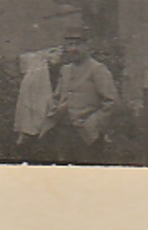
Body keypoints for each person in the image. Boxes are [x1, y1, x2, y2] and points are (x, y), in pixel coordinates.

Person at [47, 28, 118, 164]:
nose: (73, 49)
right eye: (70, 44)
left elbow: (111, 102)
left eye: (78, 44)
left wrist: (92, 124)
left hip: (87, 135)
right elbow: (56, 97)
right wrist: (56, 113)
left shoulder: (97, 70)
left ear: (87, 46)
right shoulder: (65, 70)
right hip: (64, 133)